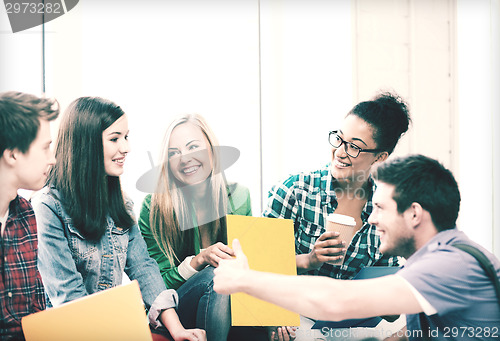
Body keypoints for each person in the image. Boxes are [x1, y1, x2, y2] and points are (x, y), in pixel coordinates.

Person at [214, 154, 500, 341]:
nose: (372, 218)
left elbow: (336, 301)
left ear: (414, 214)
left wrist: (244, 279)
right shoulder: (442, 258)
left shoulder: (449, 265)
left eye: (380, 208)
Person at [31, 97, 206, 341]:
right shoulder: (47, 207)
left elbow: (144, 268)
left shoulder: (121, 203)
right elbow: (69, 298)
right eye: (115, 139)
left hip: (110, 329)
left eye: (126, 137)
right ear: (86, 143)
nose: (126, 147)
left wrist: (177, 331)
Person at [262, 92, 411, 339]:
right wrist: (309, 260)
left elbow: (391, 312)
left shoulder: (386, 210)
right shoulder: (296, 190)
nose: (340, 152)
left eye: (354, 147)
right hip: (297, 316)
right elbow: (257, 263)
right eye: (339, 140)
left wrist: (395, 296)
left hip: (354, 325)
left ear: (380, 157)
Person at [138, 113, 254, 341]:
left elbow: (252, 265)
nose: (184, 158)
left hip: (229, 305)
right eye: (174, 153)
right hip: (177, 309)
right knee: (215, 274)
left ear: (211, 149)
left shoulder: (238, 196)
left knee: (223, 276)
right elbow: (155, 284)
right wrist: (198, 260)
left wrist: (272, 318)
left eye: (193, 147)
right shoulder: (155, 207)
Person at [0, 91, 59, 341]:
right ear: (12, 154)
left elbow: (36, 311)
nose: (53, 159)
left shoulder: (25, 213)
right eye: (45, 147)